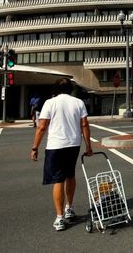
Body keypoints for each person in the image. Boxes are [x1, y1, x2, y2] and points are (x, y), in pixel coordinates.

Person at [30, 78, 93, 231]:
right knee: (70, 175)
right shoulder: (78, 102)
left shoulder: (50, 103)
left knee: (58, 180)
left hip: (55, 146)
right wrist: (88, 146)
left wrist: (35, 147)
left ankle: (59, 218)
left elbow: (42, 127)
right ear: (71, 88)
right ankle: (69, 208)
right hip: (73, 144)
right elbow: (84, 124)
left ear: (55, 89)